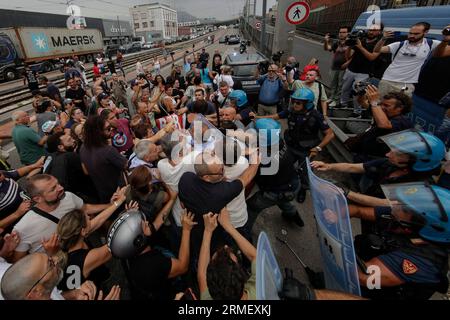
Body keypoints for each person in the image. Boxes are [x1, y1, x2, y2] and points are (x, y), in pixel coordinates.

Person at [353, 182, 450, 300]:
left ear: (427, 224)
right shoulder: (405, 218)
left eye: (405, 208)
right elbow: (358, 211)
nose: (396, 206)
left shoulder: (424, 260)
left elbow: (361, 277)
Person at [11, 174, 118, 262]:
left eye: (57, 184)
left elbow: (85, 208)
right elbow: (19, 262)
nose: (61, 188)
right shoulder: (23, 228)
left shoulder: (68, 197)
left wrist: (110, 205)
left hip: (83, 253)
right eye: (53, 189)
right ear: (38, 198)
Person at [252, 88, 334, 203]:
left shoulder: (316, 116)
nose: (295, 104)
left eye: (298, 103)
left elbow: (330, 134)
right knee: (288, 166)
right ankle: (289, 183)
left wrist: (318, 148)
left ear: (308, 103)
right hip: (291, 147)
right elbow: (275, 116)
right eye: (294, 101)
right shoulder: (291, 111)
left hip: (306, 151)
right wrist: (258, 118)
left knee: (305, 172)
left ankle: (303, 189)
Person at [312, 129, 446, 198]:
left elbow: (386, 205)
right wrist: (328, 166)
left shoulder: (422, 189)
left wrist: (346, 193)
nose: (388, 154)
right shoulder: (388, 163)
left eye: (398, 153)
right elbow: (354, 167)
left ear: (417, 161)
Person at [107, 209, 196, 300]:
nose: (147, 222)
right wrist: (186, 230)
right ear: (138, 240)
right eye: (144, 226)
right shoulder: (152, 264)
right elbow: (183, 266)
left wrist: (131, 216)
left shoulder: (128, 250)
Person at [56, 190, 130, 293]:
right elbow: (116, 242)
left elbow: (99, 220)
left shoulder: (68, 243)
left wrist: (118, 202)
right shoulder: (87, 259)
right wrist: (128, 215)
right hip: (98, 291)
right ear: (83, 231)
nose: (91, 218)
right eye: (88, 219)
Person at [245, 119, 305, 229]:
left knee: (251, 207)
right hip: (292, 183)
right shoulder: (278, 142)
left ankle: (243, 234)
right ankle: (293, 215)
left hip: (278, 191)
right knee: (283, 201)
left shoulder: (266, 160)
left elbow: (251, 173)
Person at [1, 252, 121, 300]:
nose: (56, 260)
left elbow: (55, 295)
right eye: (50, 264)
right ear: (35, 292)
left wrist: (74, 293)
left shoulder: (42, 290)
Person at [198, 208, 256, 300]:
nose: (225, 247)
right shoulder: (259, 291)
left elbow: (202, 274)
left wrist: (208, 231)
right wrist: (228, 226)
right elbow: (255, 256)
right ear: (242, 277)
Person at [344, 86, 413, 162]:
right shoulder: (384, 114)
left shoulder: (402, 121)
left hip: (376, 161)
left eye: (386, 105)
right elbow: (362, 102)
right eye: (381, 104)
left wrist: (374, 102)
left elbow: (384, 125)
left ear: (400, 108)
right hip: (363, 154)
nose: (382, 108)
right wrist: (361, 94)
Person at [374, 22, 441, 98]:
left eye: (416, 34)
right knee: (379, 104)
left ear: (425, 32)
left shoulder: (431, 44)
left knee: (400, 108)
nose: (412, 36)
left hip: (407, 84)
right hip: (388, 80)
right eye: (410, 33)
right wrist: (383, 38)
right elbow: (377, 50)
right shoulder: (400, 44)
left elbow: (445, 45)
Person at [80, 115, 128, 203]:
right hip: (119, 194)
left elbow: (86, 171)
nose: (112, 131)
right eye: (108, 129)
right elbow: (126, 165)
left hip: (103, 195)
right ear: (98, 133)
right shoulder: (108, 150)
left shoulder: (83, 148)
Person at [340, 24, 383, 116]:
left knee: (358, 93)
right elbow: (348, 57)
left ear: (380, 32)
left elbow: (371, 58)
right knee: (344, 89)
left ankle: (357, 112)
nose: (371, 32)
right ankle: (343, 104)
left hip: (364, 73)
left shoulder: (378, 44)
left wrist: (360, 47)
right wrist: (349, 46)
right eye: (370, 29)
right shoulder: (361, 40)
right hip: (351, 69)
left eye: (374, 30)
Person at [45, 131, 97, 203]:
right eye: (69, 140)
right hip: (83, 197)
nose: (74, 140)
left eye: (72, 138)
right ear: (61, 147)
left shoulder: (49, 158)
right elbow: (88, 171)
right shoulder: (70, 156)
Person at [0, 158, 44, 233]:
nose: (2, 175)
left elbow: (17, 172)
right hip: (21, 227)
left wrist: (35, 165)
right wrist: (17, 214)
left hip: (35, 212)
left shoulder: (3, 175)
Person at [323, 27, 351, 107]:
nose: (341, 34)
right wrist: (326, 41)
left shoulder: (350, 43)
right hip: (334, 67)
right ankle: (331, 98)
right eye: (340, 32)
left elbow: (354, 56)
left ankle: (336, 100)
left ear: (348, 33)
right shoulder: (337, 43)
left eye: (344, 32)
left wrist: (347, 63)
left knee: (340, 85)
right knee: (333, 84)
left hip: (344, 69)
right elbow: (327, 48)